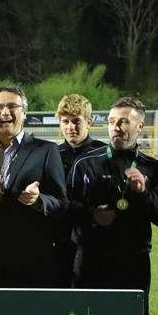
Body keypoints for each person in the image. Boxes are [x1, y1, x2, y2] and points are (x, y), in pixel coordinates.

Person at [69, 97, 158, 315]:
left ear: (140, 125)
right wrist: (93, 216)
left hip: (133, 265)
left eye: (124, 121)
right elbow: (68, 210)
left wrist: (144, 192)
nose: (117, 127)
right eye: (111, 121)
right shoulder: (88, 164)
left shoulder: (153, 169)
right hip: (90, 262)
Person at [0, 86, 67, 287]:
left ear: (24, 113)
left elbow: (61, 203)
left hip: (32, 261)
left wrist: (39, 200)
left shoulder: (46, 150)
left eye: (12, 106)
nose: (5, 112)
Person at [54, 94, 105, 286]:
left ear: (89, 122)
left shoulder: (103, 154)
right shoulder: (52, 155)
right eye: (65, 121)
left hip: (94, 241)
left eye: (76, 121)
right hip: (59, 239)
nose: (70, 127)